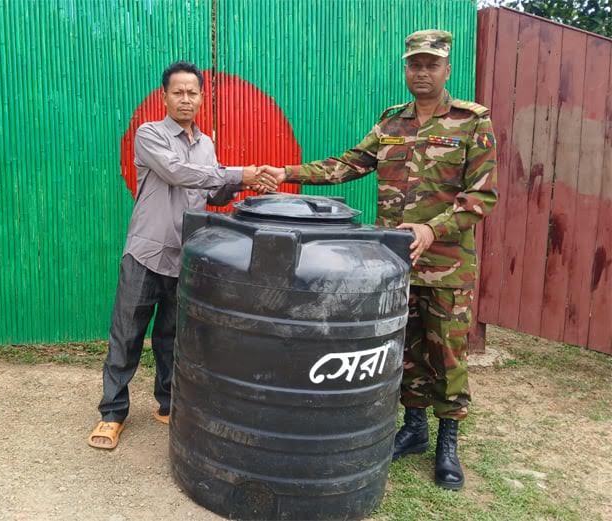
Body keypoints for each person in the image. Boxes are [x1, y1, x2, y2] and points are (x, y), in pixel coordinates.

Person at [256, 30, 498, 490]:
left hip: (447, 266)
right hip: (394, 263)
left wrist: (432, 228)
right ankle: (414, 427)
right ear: (406, 69)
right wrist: (288, 173)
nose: (422, 72)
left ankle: (448, 441)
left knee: (447, 353)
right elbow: (347, 164)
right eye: (414, 64)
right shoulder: (391, 122)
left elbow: (482, 196)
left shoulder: (472, 122)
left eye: (431, 64)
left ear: (448, 69)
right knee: (402, 347)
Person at [88, 61, 275, 450]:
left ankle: (168, 403)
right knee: (127, 334)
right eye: (178, 92)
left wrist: (246, 184)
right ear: (165, 96)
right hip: (146, 252)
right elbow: (178, 173)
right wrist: (237, 173)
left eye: (192, 92)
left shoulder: (206, 143)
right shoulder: (150, 134)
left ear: (202, 97)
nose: (186, 98)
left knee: (173, 337)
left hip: (187, 255)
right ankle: (112, 413)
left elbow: (211, 191)